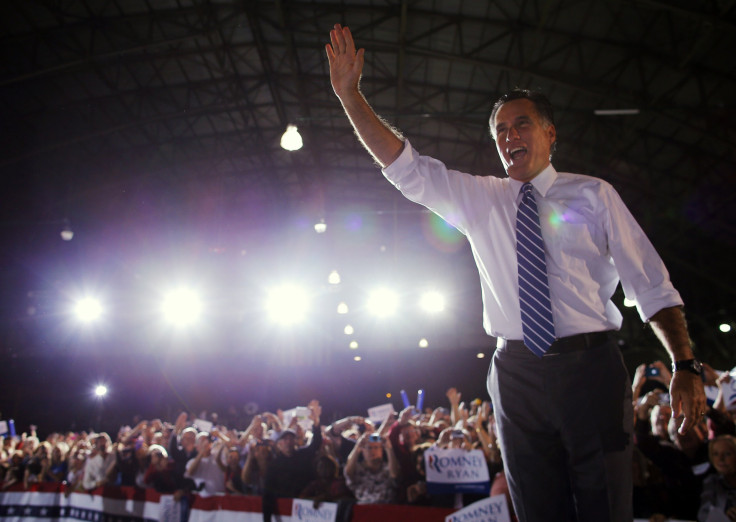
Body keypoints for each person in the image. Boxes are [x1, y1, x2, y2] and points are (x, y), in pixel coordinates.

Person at [326, 23, 706, 521]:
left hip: (590, 369)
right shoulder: (483, 199)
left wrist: (684, 364)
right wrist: (350, 96)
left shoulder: (594, 195)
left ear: (550, 132)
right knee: (535, 511)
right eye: (500, 131)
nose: (509, 137)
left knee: (605, 507)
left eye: (521, 124)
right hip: (516, 374)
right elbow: (408, 168)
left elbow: (651, 285)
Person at [699, 435, 736, 521]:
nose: (720, 459)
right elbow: (703, 514)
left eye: (727, 454)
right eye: (715, 454)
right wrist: (723, 515)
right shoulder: (712, 482)